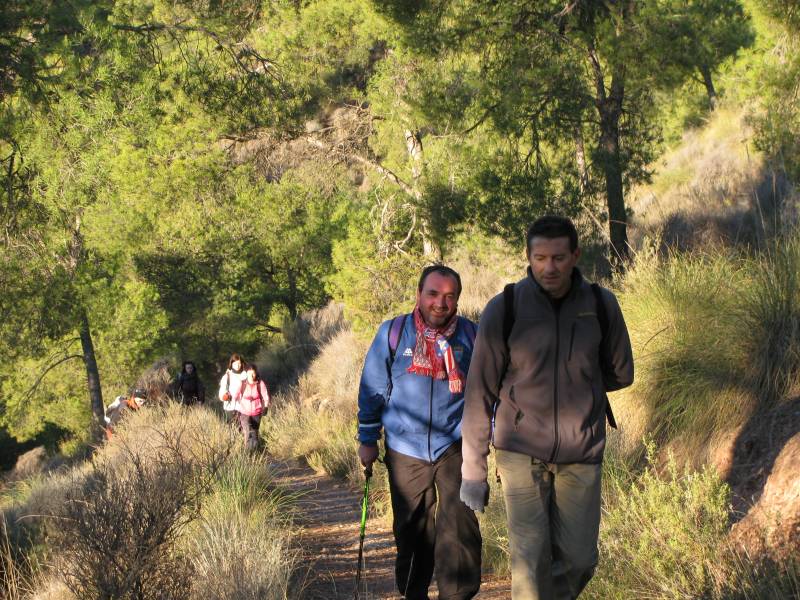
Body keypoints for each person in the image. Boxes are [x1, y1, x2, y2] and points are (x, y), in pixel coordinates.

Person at [459, 215, 634, 600]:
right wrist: (473, 469)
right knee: (529, 560)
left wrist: (579, 387)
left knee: (580, 559)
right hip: (520, 451)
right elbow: (479, 393)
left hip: (581, 449)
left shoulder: (601, 304)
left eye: (558, 258)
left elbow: (622, 372)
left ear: (575, 256)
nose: (549, 267)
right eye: (540, 258)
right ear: (528, 256)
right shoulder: (505, 308)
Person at [357, 265, 482, 600]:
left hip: (455, 444)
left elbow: (487, 390)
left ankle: (457, 595)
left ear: (457, 299)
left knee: (460, 525)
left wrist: (493, 432)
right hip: (404, 447)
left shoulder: (472, 336)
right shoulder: (394, 333)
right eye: (433, 293)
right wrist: (367, 439)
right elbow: (373, 388)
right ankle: (414, 593)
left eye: (449, 296)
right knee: (411, 530)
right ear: (418, 294)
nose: (440, 303)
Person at [234, 364, 270, 451]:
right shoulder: (242, 383)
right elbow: (235, 395)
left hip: (256, 412)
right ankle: (247, 452)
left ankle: (255, 452)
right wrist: (235, 407)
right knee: (247, 432)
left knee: (254, 434)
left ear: (256, 373)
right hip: (244, 412)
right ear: (246, 373)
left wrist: (265, 408)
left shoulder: (260, 383)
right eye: (249, 373)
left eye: (253, 373)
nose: (251, 376)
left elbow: (266, 397)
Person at [218, 353, 247, 425]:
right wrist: (224, 397)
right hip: (230, 406)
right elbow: (222, 391)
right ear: (231, 364)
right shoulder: (227, 376)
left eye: (239, 363)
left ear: (242, 364)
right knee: (232, 428)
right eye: (235, 363)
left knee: (242, 427)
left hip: (244, 407)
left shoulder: (246, 376)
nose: (237, 365)